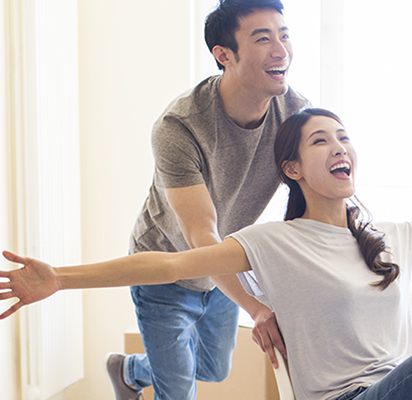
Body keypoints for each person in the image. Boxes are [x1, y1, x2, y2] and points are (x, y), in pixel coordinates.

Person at [0, 108, 412, 400]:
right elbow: (171, 265)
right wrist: (60, 277)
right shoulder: (273, 243)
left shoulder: (383, 235)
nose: (339, 147)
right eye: (321, 141)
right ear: (293, 168)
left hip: (405, 384)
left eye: (344, 137)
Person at [115, 0, 308, 398]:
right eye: (263, 38)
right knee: (179, 389)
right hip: (165, 268)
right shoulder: (179, 127)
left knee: (213, 369)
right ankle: (155, 374)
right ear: (224, 55)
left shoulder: (295, 116)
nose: (281, 50)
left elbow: (311, 202)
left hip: (223, 268)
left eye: (284, 35)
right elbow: (200, 234)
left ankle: (130, 371)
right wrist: (255, 306)